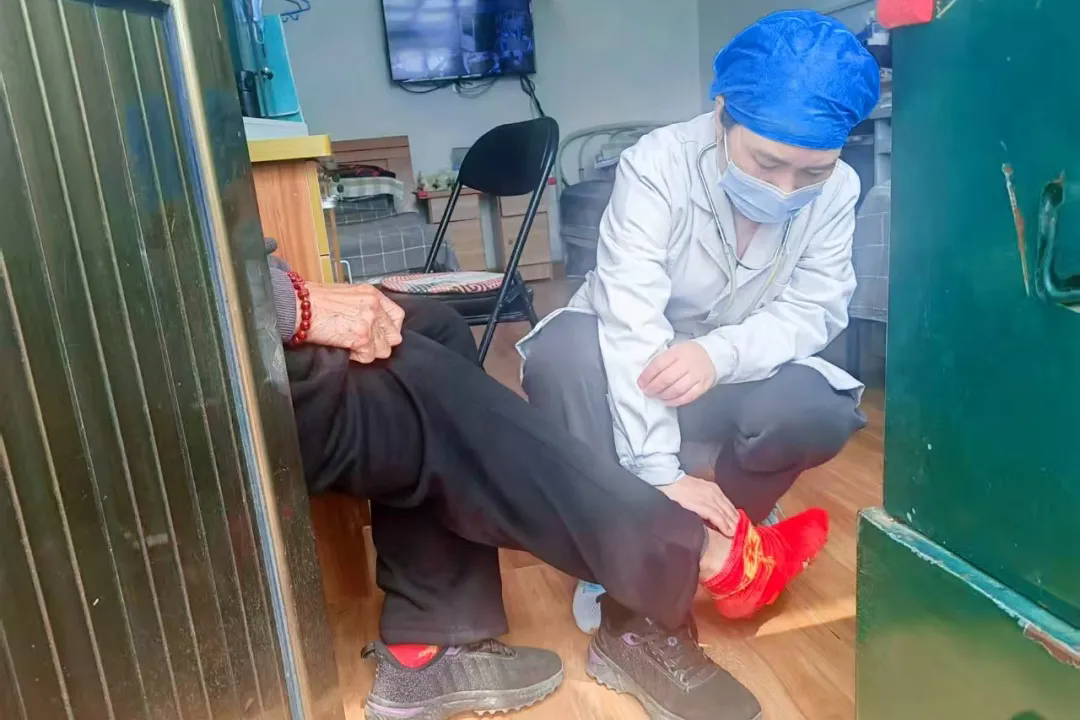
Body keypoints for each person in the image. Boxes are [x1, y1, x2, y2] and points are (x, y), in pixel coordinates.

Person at [265, 236, 828, 720]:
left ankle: (433, 641)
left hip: (248, 316)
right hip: (227, 378)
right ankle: (703, 553)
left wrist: (284, 293)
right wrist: (296, 307)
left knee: (435, 328)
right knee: (423, 390)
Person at [520, 10, 880, 633]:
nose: (786, 189)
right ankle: (616, 547)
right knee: (564, 354)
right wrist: (658, 472)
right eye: (766, 163)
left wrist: (719, 355)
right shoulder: (657, 164)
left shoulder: (839, 188)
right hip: (632, 369)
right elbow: (630, 317)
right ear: (721, 115)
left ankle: (732, 529)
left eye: (811, 172)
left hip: (725, 373)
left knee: (817, 408)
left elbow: (814, 307)